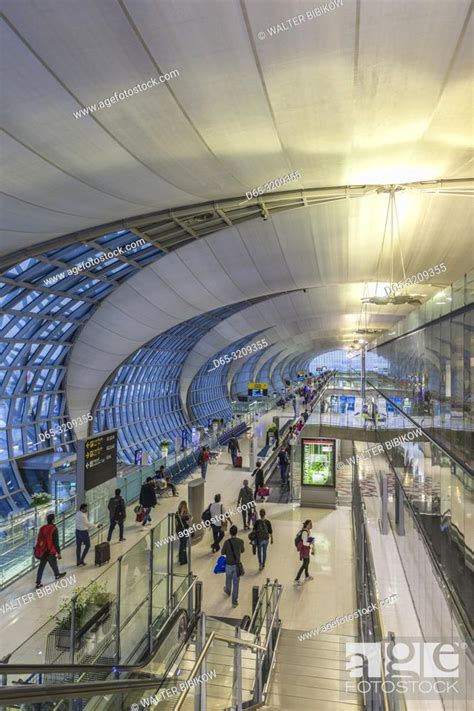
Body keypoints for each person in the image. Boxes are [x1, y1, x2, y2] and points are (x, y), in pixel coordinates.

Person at [34, 513, 66, 589]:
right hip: (50, 551)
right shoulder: (54, 528)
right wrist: (58, 552)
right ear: (53, 520)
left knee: (41, 567)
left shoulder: (42, 528)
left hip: (42, 551)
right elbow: (56, 542)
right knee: (54, 564)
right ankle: (57, 575)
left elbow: (39, 540)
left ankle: (38, 583)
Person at [222, 525, 245, 608]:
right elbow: (242, 550)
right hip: (236, 565)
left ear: (230, 532)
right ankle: (234, 602)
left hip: (228, 564)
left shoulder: (226, 542)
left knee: (228, 579)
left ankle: (228, 591)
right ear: (236, 532)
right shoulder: (240, 541)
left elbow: (222, 552)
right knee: (236, 584)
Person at [294, 520, 314, 585]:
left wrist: (310, 539)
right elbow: (305, 543)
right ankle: (297, 578)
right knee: (305, 564)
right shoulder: (305, 532)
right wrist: (310, 543)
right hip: (304, 549)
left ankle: (307, 575)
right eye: (310, 524)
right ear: (307, 525)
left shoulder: (307, 531)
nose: (311, 525)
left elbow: (305, 540)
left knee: (307, 562)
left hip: (306, 549)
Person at [175, 500, 192, 565]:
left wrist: (176, 531)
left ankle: (180, 558)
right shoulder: (186, 514)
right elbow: (189, 523)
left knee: (182, 544)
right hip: (184, 531)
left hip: (179, 530)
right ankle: (183, 560)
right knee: (183, 545)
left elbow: (176, 523)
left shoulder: (177, 513)